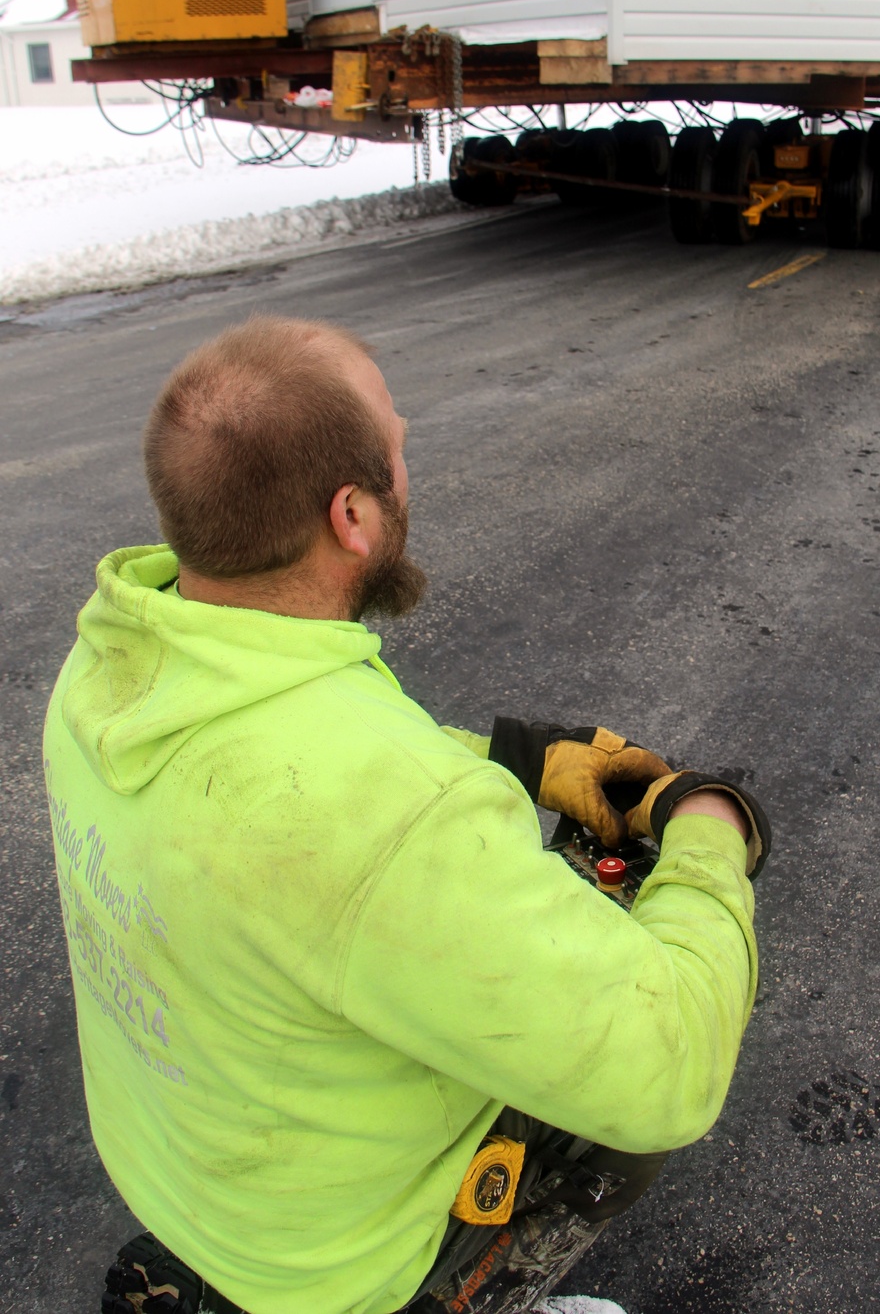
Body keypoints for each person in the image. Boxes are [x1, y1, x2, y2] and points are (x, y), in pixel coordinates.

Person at [43, 316, 769, 1314]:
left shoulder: (111, 666)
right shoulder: (393, 821)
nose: (406, 466)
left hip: (182, 1174)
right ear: (351, 516)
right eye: (397, 450)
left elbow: (306, 771)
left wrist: (517, 762)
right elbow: (670, 1066)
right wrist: (709, 827)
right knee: (618, 1109)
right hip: (325, 1274)